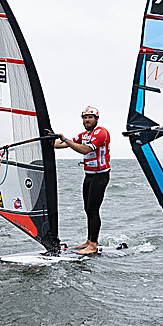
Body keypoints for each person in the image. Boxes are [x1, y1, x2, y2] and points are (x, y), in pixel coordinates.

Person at [54, 106, 111, 255]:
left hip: (100, 176)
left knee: (93, 209)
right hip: (89, 175)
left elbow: (85, 150)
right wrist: (47, 142)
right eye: (85, 118)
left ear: (96, 119)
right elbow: (63, 144)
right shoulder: (84, 134)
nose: (87, 120)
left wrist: (65, 138)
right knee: (87, 209)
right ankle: (88, 240)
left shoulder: (101, 133)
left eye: (90, 117)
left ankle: (93, 244)